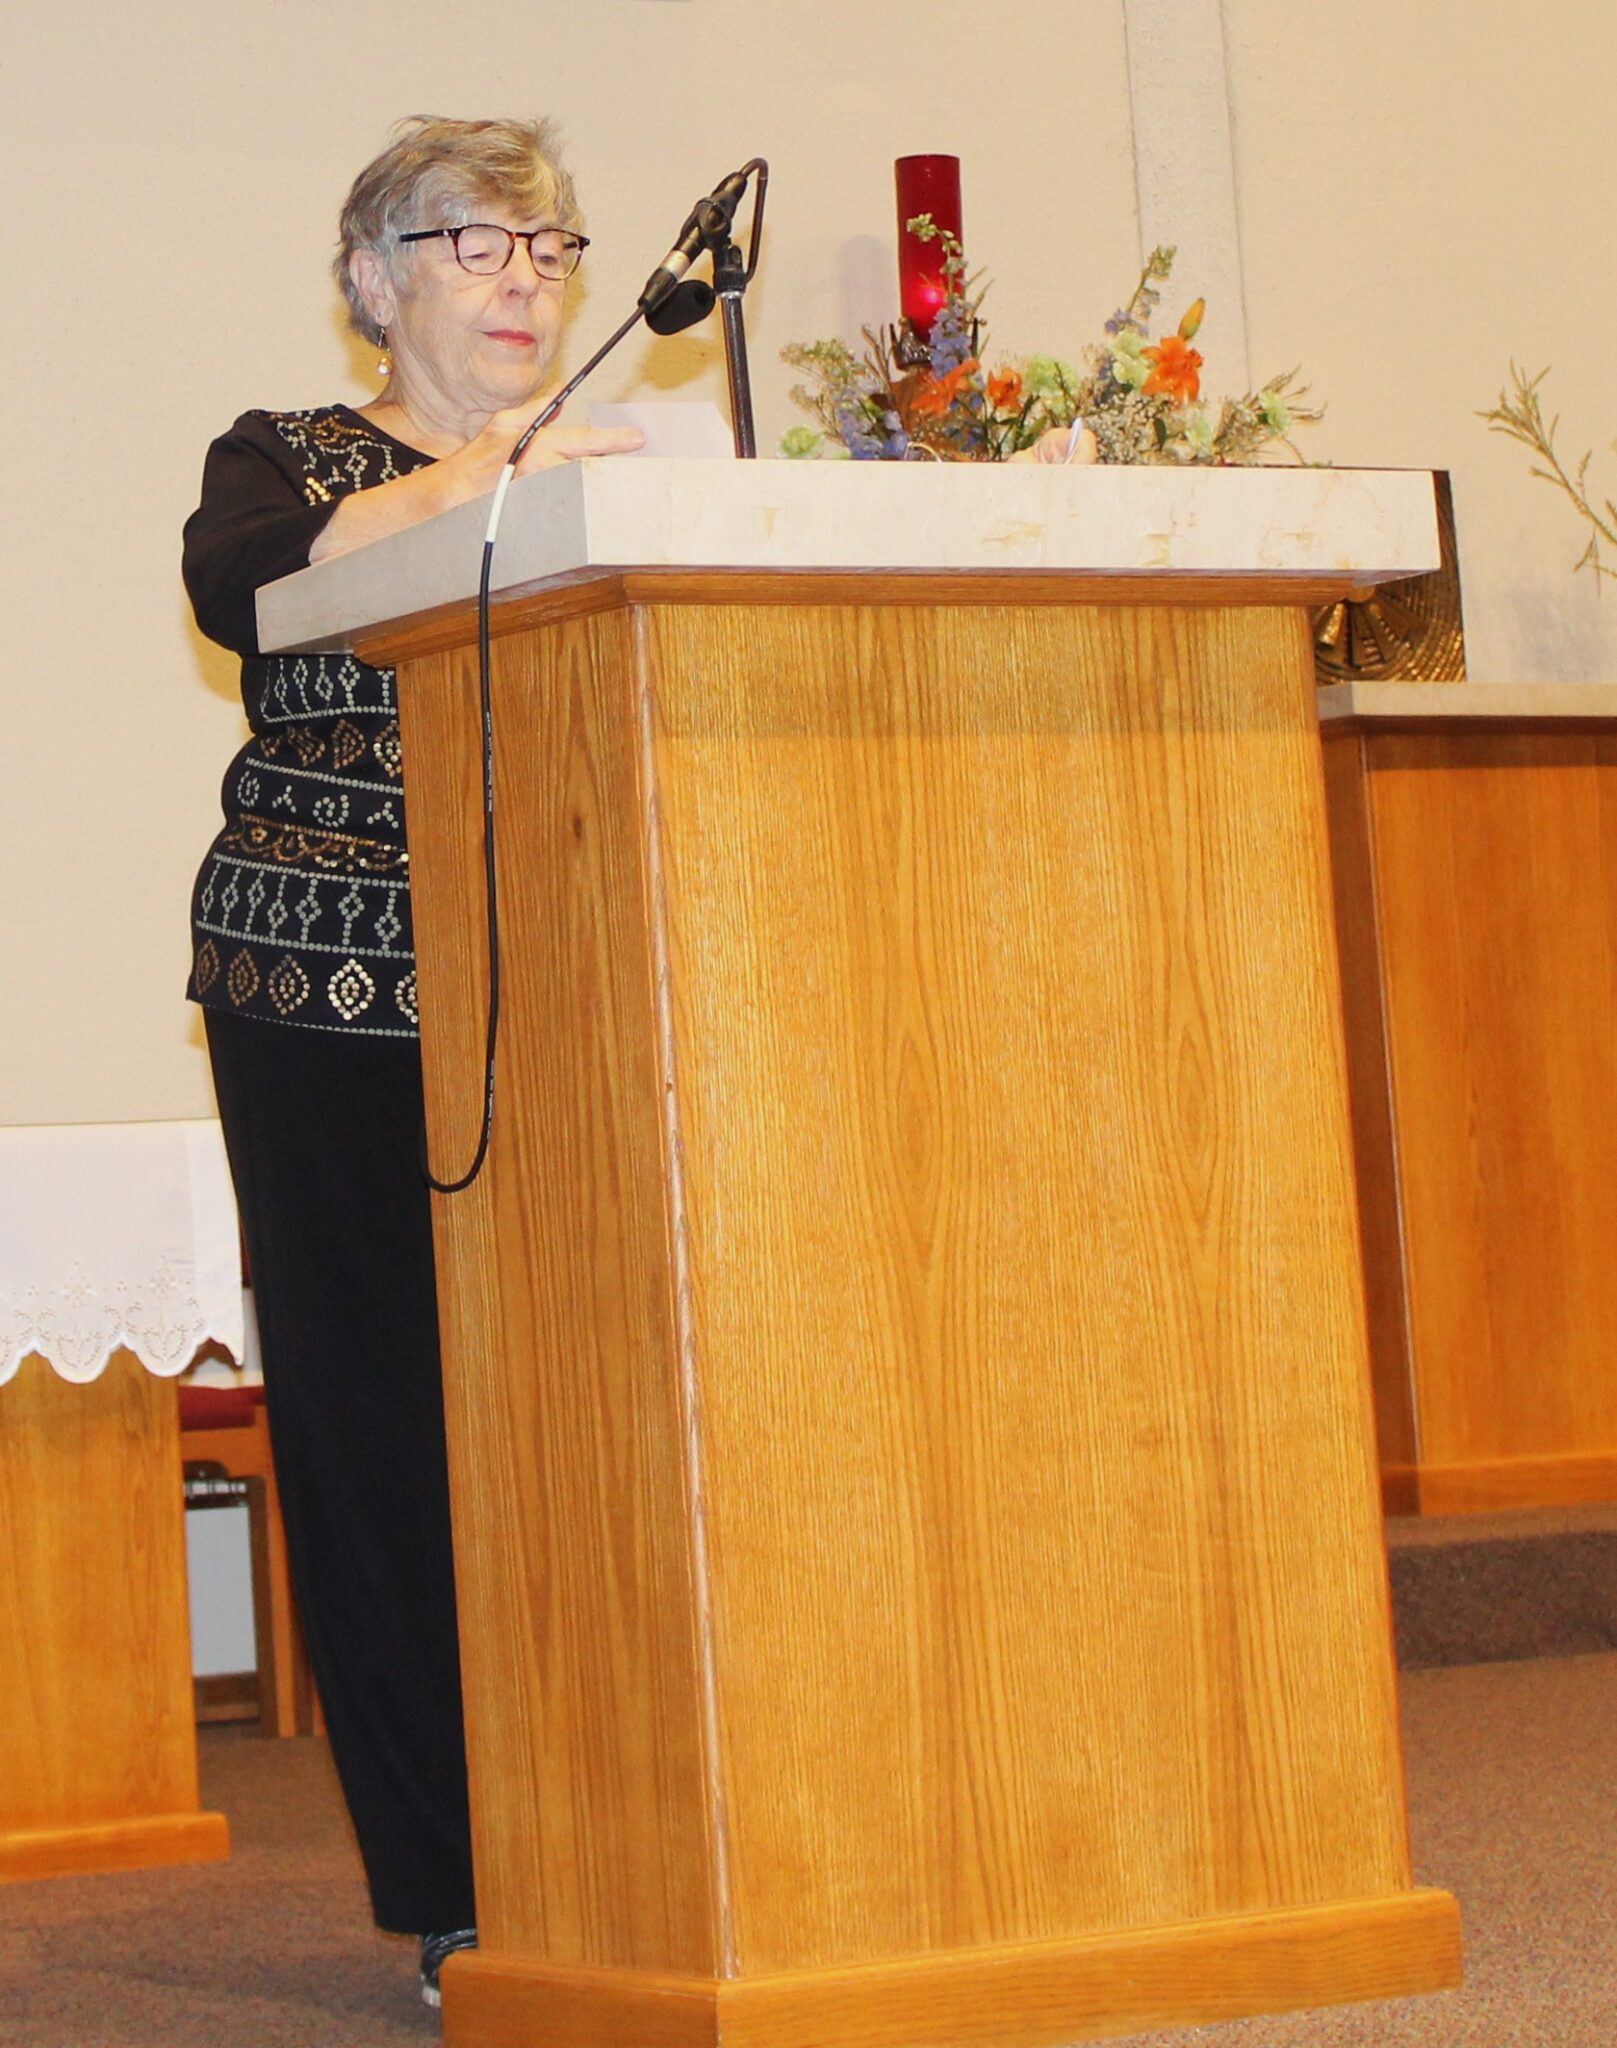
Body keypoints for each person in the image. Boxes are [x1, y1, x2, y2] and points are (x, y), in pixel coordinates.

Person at [181, 114, 643, 2007]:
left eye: (548, 247)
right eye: (474, 243)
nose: (522, 278)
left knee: (595, 1424)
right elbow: (240, 585)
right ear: (374, 282)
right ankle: (453, 1886)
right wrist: (484, 477)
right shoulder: (286, 455)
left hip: (574, 990)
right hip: (331, 1001)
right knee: (383, 1435)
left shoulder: (615, 470)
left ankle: (622, 1844)